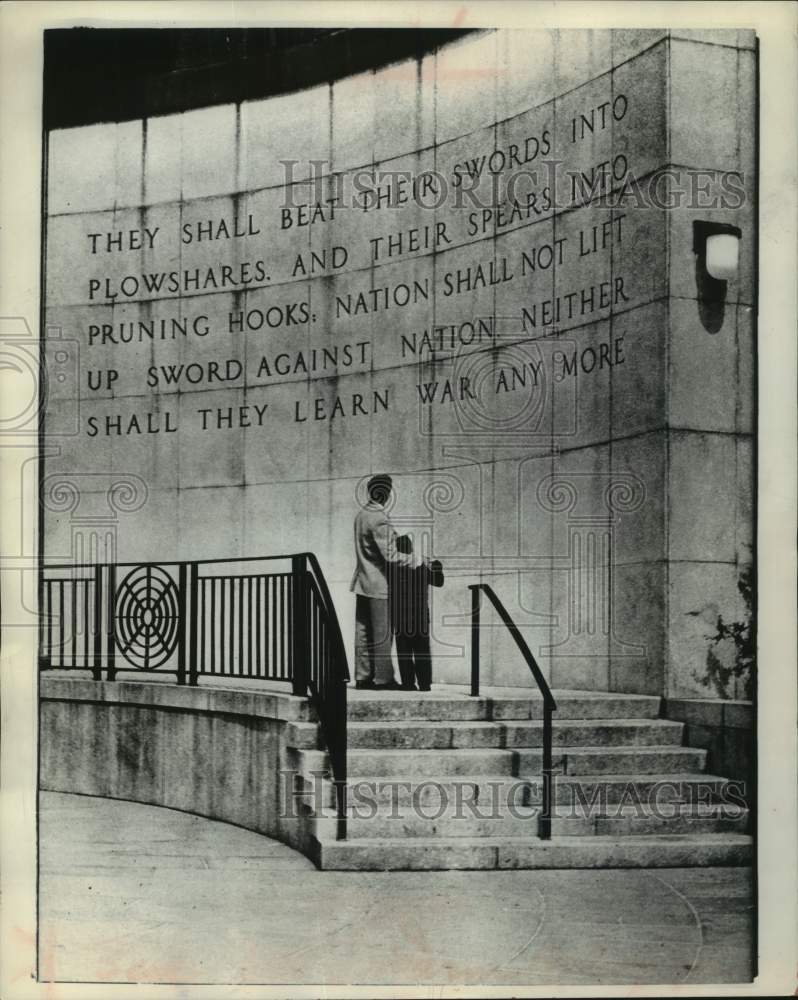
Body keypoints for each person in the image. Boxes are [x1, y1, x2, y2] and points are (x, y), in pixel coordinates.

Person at [350, 474, 420, 690]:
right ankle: (384, 679)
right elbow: (390, 555)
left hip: (362, 582)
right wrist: (415, 560)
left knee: (362, 632)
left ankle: (363, 676)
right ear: (387, 494)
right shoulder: (380, 518)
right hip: (379, 585)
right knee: (382, 634)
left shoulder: (361, 515)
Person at [390, 534, 444, 692]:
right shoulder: (421, 567)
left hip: (401, 616)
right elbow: (439, 582)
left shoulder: (394, 568)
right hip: (420, 615)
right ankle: (425, 684)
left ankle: (408, 683)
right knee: (422, 650)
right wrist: (436, 565)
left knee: (404, 651)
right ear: (411, 548)